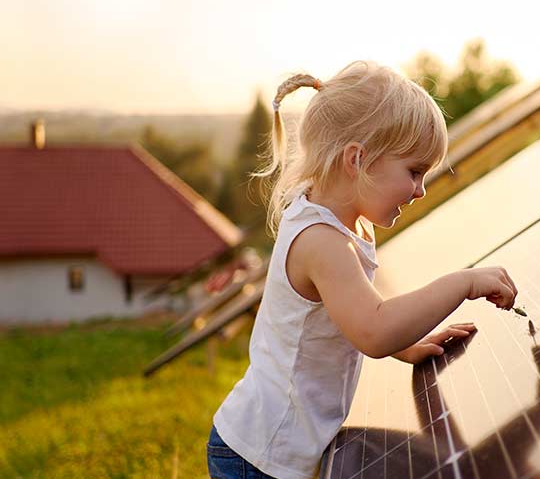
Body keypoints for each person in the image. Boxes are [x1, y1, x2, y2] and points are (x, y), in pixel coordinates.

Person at [207, 60, 519, 479]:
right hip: (258, 456)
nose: (421, 190)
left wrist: (407, 345)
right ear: (358, 159)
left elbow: (351, 314)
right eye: (414, 171)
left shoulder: (344, 222)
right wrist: (462, 282)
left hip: (273, 449)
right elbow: (372, 330)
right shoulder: (321, 241)